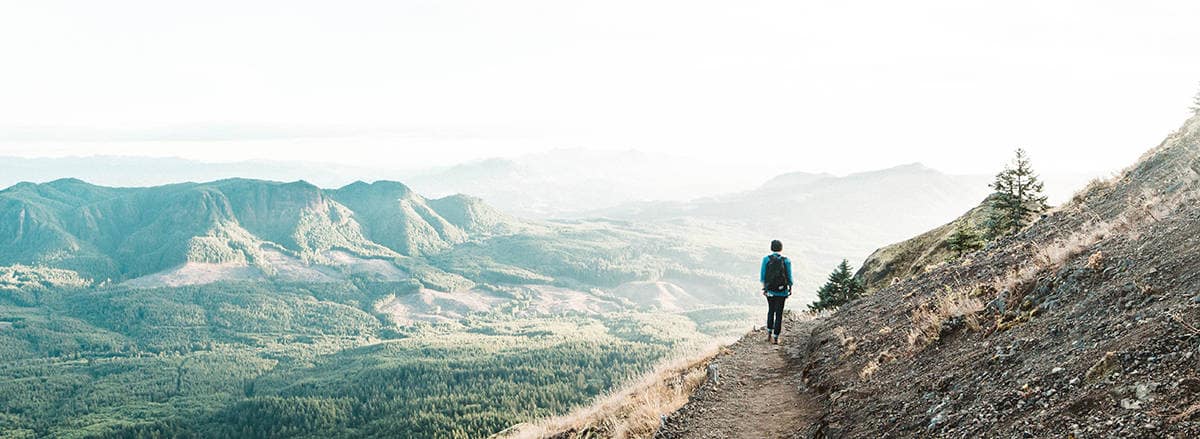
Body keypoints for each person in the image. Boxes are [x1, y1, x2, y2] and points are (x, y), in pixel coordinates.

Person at [760, 239, 792, 344]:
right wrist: (790, 288)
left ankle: (769, 333)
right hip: (782, 291)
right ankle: (776, 338)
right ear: (781, 248)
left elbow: (763, 276)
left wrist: (765, 288)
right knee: (779, 314)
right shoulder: (786, 260)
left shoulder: (766, 259)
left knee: (771, 311)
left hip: (770, 291)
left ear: (771, 248)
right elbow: (789, 277)